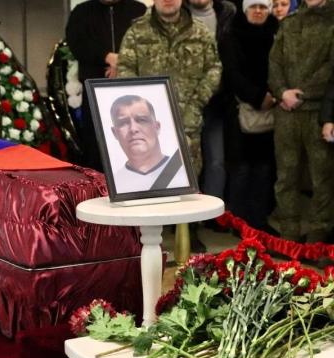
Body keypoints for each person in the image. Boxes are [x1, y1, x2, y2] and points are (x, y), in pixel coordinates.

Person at [116, 0, 222, 180]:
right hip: (147, 126)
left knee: (187, 182)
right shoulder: (137, 32)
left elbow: (214, 68)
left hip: (187, 124)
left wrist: (196, 105)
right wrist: (141, 107)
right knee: (148, 181)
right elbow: (125, 68)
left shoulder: (200, 31)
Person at [269, 0, 334, 243]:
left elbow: (331, 70)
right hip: (286, 111)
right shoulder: (290, 23)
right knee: (286, 176)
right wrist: (282, 92)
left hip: (318, 112)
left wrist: (302, 94)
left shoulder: (331, 22)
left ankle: (318, 236)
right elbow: (275, 62)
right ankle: (288, 234)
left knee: (322, 177)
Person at [65, 0, 146, 171]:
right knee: (96, 147)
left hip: (132, 91)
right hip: (95, 92)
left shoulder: (138, 10)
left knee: (134, 142)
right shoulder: (81, 12)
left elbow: (146, 44)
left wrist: (121, 63)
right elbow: (77, 44)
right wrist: (106, 57)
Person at [220, 0, 278, 232]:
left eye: (263, 7)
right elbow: (231, 73)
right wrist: (257, 97)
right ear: (245, 9)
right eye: (253, 6)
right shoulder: (231, 35)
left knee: (264, 169)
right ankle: (239, 223)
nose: (258, 11)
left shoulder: (276, 33)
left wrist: (272, 95)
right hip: (239, 111)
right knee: (241, 169)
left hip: (271, 110)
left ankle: (259, 221)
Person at [187, 0, 236, 202]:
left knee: (216, 162)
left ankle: (213, 212)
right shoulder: (177, 13)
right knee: (187, 163)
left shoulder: (227, 12)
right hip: (185, 105)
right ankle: (187, 215)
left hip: (217, 103)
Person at [110, 95, 189, 193]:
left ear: (157, 127)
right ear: (114, 133)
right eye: (123, 123)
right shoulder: (112, 186)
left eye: (141, 120)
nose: (133, 129)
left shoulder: (185, 174)